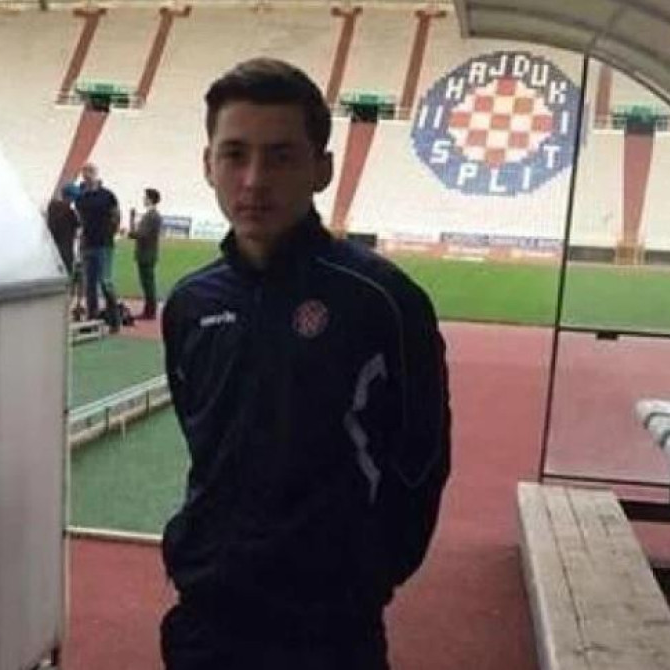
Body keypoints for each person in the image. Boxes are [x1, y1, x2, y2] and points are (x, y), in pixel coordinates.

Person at [159, 57, 451, 670]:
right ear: (208, 164)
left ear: (322, 169)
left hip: (329, 628)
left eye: (281, 156)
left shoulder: (383, 301)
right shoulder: (190, 303)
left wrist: (369, 570)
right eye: (235, 154)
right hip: (208, 613)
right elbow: (201, 437)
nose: (254, 179)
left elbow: (421, 457)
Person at [73, 163, 121, 331]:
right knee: (89, 284)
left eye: (89, 173)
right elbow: (80, 220)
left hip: (103, 244)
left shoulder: (107, 196)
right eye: (84, 174)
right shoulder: (80, 198)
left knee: (105, 281)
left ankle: (114, 319)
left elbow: (116, 215)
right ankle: (91, 319)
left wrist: (111, 233)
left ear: (95, 174)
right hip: (88, 245)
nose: (87, 177)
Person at [129, 187, 163, 319]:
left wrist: (132, 224)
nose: (144, 199)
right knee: (148, 283)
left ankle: (150, 311)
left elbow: (141, 235)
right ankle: (149, 310)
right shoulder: (152, 215)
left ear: (150, 199)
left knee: (148, 284)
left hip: (146, 254)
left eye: (145, 197)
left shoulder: (152, 216)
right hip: (147, 253)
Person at [46, 181, 81, 277]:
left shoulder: (53, 207)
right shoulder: (68, 211)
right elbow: (78, 225)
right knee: (66, 268)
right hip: (64, 246)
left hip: (55, 245)